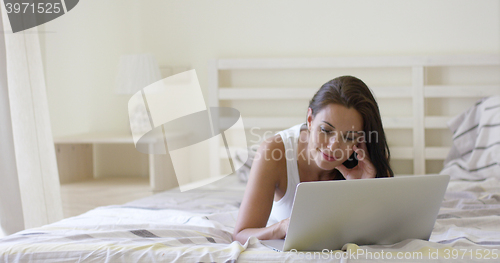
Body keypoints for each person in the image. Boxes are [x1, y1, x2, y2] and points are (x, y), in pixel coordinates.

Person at [232, 75, 394, 244]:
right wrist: (283, 227)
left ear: (360, 140)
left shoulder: (367, 166)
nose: (333, 147)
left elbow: (387, 233)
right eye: (325, 130)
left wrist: (362, 188)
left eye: (348, 137)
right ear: (310, 120)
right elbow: (241, 234)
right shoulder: (273, 151)